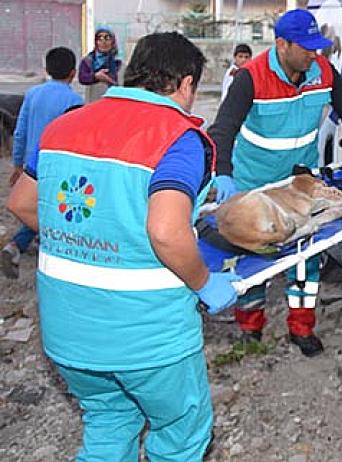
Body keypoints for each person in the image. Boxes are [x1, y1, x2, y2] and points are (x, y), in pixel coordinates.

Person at [6, 32, 240, 461]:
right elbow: (167, 232)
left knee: (110, 421)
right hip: (146, 338)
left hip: (67, 332)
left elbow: (21, 202)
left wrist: (91, 240)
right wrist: (205, 282)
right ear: (186, 84)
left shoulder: (65, 126)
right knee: (180, 435)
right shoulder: (177, 137)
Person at [208, 8, 342, 357]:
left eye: (317, 46)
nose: (315, 53)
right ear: (282, 44)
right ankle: (250, 327)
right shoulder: (251, 77)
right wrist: (224, 173)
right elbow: (224, 128)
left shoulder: (322, 72)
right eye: (307, 47)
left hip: (299, 184)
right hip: (254, 186)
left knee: (305, 260)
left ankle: (302, 328)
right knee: (253, 260)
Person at [1, 47, 83, 280]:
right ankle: (19, 245)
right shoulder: (74, 100)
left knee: (37, 206)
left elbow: (20, 130)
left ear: (46, 69)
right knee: (51, 208)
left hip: (31, 162)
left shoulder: (33, 93)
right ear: (73, 73)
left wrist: (18, 164)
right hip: (56, 163)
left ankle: (22, 245)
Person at [78, 26, 122, 102]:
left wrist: (111, 81)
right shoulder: (88, 61)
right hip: (92, 102)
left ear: (113, 41)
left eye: (107, 38)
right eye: (100, 39)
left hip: (113, 103)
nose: (103, 42)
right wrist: (95, 77)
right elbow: (82, 78)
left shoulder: (118, 62)